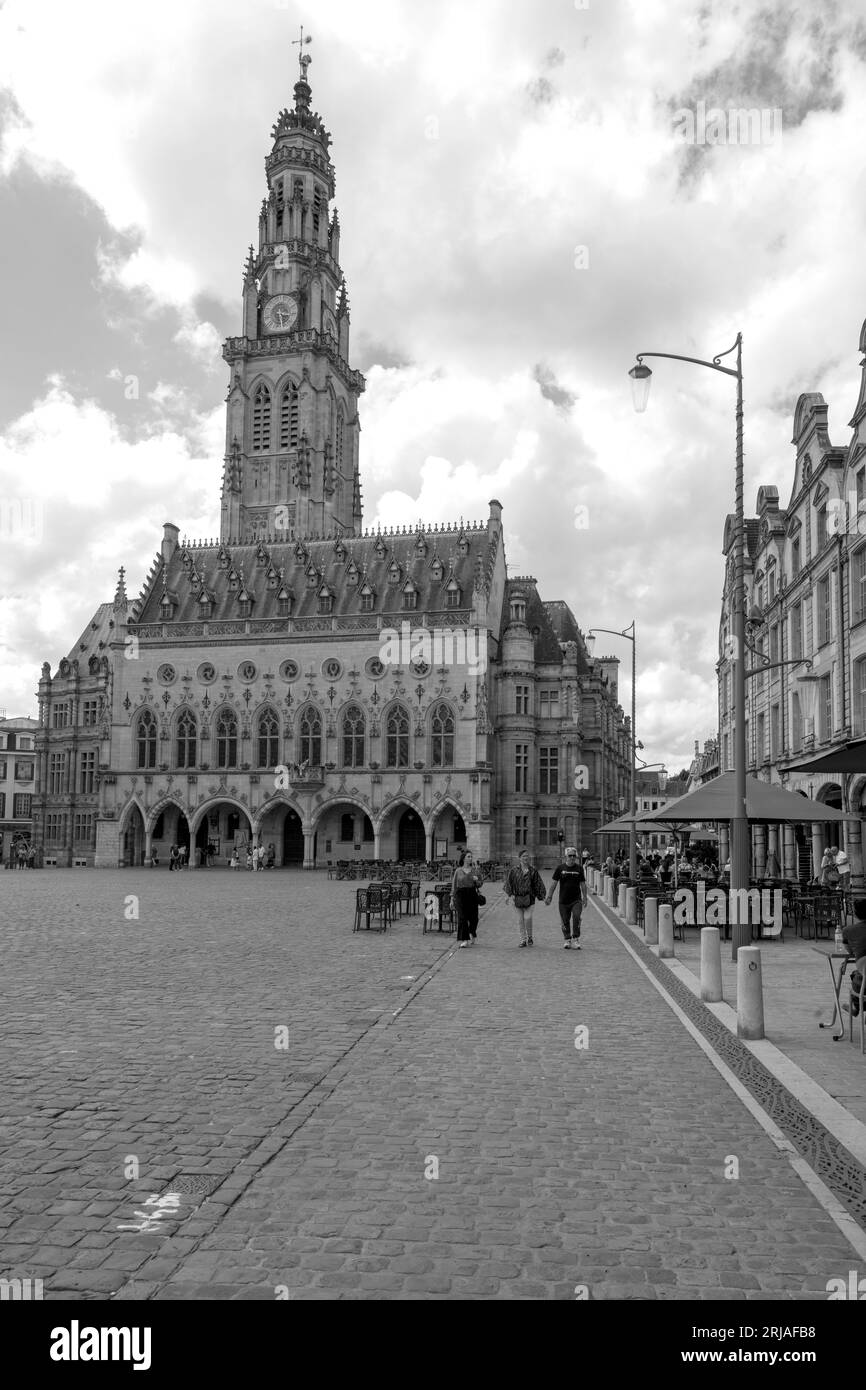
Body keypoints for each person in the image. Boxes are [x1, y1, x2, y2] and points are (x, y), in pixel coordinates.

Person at [546, 846, 588, 949]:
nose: (572, 857)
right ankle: (567, 939)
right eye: (570, 856)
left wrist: (585, 897)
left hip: (576, 900)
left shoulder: (579, 868)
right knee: (565, 920)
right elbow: (554, 883)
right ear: (566, 857)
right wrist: (549, 896)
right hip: (563, 901)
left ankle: (576, 938)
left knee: (576, 917)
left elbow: (583, 884)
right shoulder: (560, 868)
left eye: (574, 856)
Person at [504, 850, 546, 947]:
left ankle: (530, 937)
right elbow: (509, 883)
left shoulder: (533, 871)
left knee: (527, 918)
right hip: (517, 899)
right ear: (519, 858)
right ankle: (523, 940)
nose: (526, 858)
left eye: (527, 856)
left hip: (529, 898)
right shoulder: (514, 870)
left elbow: (538, 884)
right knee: (520, 920)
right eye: (523, 856)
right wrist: (508, 896)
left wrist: (543, 897)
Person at [451, 849, 484, 947]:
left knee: (474, 918)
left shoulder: (475, 870)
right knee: (462, 918)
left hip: (472, 894)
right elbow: (454, 886)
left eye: (471, 857)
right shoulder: (458, 871)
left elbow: (480, 884)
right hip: (460, 895)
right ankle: (464, 939)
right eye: (468, 857)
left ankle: (472, 932)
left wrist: (477, 880)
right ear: (464, 859)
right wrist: (452, 899)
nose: (470, 858)